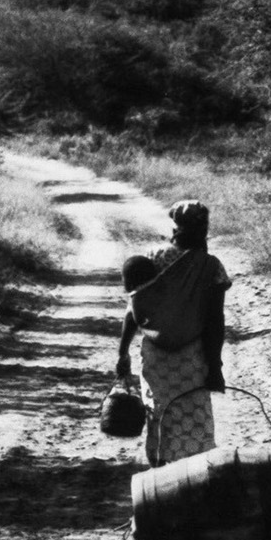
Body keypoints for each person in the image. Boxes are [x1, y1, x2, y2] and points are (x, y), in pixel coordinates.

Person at [116, 200, 231, 466]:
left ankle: (160, 477)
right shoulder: (211, 266)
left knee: (158, 411)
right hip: (193, 355)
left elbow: (134, 308)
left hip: (156, 354)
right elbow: (215, 321)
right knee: (194, 416)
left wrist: (123, 352)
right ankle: (195, 474)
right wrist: (215, 366)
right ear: (204, 229)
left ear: (175, 227)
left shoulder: (154, 257)